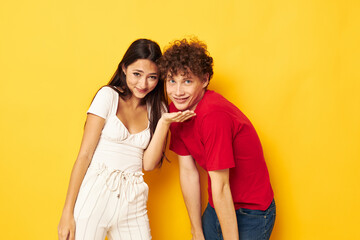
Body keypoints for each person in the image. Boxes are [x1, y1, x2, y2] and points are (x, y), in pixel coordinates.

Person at [58, 39, 195, 240]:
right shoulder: (108, 96)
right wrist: (67, 212)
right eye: (137, 74)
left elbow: (148, 164)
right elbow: (84, 156)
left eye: (152, 77)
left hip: (133, 199)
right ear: (124, 68)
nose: (143, 84)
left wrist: (164, 122)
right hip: (95, 194)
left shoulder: (159, 110)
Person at [157, 38, 276, 240]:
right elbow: (188, 171)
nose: (177, 92)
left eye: (187, 81)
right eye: (171, 80)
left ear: (204, 80)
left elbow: (221, 185)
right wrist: (196, 230)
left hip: (251, 212)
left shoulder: (213, 116)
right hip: (217, 205)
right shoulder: (176, 111)